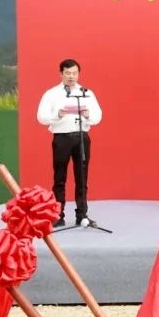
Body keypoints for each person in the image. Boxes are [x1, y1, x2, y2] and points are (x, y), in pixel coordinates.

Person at [35, 58, 103, 227]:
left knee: (82, 178)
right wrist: (57, 115)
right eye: (67, 73)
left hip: (82, 137)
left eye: (74, 73)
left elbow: (98, 116)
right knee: (60, 177)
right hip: (62, 138)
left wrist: (88, 115)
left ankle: (82, 215)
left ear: (78, 74)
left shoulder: (87, 93)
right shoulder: (51, 94)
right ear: (61, 74)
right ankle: (58, 215)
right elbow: (41, 117)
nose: (71, 76)